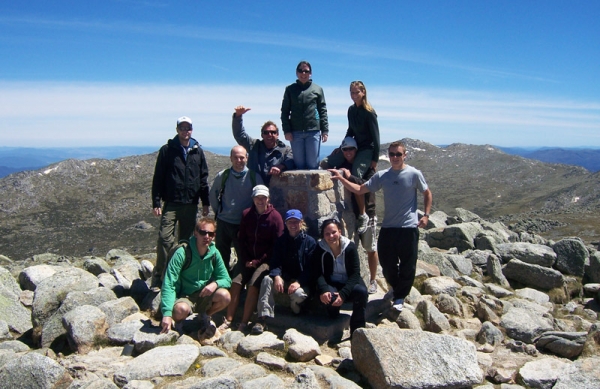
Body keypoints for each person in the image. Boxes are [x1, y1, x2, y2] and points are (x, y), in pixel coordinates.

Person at [329, 141, 432, 313]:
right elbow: (360, 189)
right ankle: (397, 287)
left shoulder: (414, 174)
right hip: (389, 226)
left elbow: (427, 193)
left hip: (408, 227)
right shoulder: (383, 176)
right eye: (392, 154)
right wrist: (341, 179)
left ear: (405, 155)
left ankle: (399, 296)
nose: (395, 157)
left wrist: (426, 215)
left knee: (408, 264)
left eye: (398, 154)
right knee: (386, 261)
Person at [151, 116, 210, 290]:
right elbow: (158, 177)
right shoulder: (167, 150)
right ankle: (161, 273)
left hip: (191, 204)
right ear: (177, 129)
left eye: (188, 128)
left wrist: (205, 203)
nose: (185, 131)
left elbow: (203, 179)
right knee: (164, 237)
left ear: (192, 130)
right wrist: (156, 202)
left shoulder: (197, 151)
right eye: (182, 128)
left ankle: (179, 274)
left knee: (186, 241)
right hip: (172, 202)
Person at [220, 185, 284, 332]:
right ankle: (229, 320)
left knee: (253, 284)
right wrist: (246, 258)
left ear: (268, 199)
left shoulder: (275, 218)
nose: (260, 201)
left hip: (265, 260)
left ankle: (243, 322)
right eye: (257, 198)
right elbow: (241, 239)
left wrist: (257, 261)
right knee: (236, 282)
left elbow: (276, 246)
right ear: (253, 199)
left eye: (263, 198)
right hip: (247, 258)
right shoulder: (246, 214)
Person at [321, 81, 380, 233]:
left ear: (363, 92)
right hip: (354, 145)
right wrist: (342, 146)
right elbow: (350, 129)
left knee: (354, 176)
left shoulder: (369, 112)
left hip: (366, 149)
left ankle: (362, 214)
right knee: (326, 162)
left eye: (357, 92)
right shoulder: (351, 110)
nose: (354, 95)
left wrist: (375, 159)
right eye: (352, 93)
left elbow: (376, 137)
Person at [160, 217, 231, 340]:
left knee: (225, 296)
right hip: (185, 295)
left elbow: (226, 279)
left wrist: (215, 284)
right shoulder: (183, 252)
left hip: (204, 295)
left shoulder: (214, 253)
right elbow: (169, 282)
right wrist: (166, 313)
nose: (206, 236)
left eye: (211, 233)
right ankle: (179, 323)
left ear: (214, 235)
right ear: (196, 233)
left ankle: (204, 316)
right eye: (203, 232)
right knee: (181, 309)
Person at [329, 137, 381, 294]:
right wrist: (333, 156)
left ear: (357, 151)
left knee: (370, 248)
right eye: (345, 150)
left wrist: (349, 176)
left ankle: (373, 280)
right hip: (349, 214)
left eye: (351, 149)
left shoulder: (367, 168)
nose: (348, 152)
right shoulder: (343, 165)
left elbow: (363, 186)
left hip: (367, 214)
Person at [253, 209, 316, 334]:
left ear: (301, 222)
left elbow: (312, 268)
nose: (293, 225)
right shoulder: (280, 241)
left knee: (298, 295)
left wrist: (299, 282)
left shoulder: (310, 242)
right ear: (286, 224)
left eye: (296, 222)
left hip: (301, 283)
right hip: (285, 279)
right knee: (266, 280)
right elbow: (275, 261)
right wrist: (276, 276)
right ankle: (262, 318)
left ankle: (297, 309)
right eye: (290, 222)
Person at [209, 145, 264, 274]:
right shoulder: (223, 176)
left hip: (244, 224)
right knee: (221, 255)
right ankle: (222, 281)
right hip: (224, 223)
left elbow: (262, 199)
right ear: (231, 158)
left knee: (243, 255)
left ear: (247, 158)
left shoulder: (254, 177)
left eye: (241, 158)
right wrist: (220, 212)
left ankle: (239, 284)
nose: (239, 161)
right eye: (236, 158)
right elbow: (213, 194)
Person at [312, 218, 367, 336]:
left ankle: (357, 330)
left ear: (340, 232)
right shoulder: (319, 248)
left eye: (334, 232)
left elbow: (355, 274)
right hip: (331, 284)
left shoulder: (350, 248)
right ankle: (333, 311)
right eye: (327, 234)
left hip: (348, 283)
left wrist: (343, 294)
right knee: (330, 307)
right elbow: (317, 272)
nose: (331, 236)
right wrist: (324, 289)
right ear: (323, 236)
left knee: (361, 292)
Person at [280, 60, 329, 170]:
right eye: (300, 71)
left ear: (310, 73)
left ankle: (313, 187)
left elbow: (323, 111)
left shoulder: (317, 89)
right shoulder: (290, 90)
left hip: (313, 131)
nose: (303, 73)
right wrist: (287, 131)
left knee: (313, 165)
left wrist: (325, 130)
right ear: (296, 73)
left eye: (306, 71)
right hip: (295, 132)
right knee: (299, 165)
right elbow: (284, 112)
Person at [232, 106, 295, 186]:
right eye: (266, 132)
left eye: (273, 132)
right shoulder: (253, 145)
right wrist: (238, 116)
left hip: (275, 190)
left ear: (277, 134)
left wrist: (281, 166)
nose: (270, 135)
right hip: (254, 190)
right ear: (262, 135)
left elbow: (292, 160)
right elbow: (239, 135)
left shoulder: (285, 150)